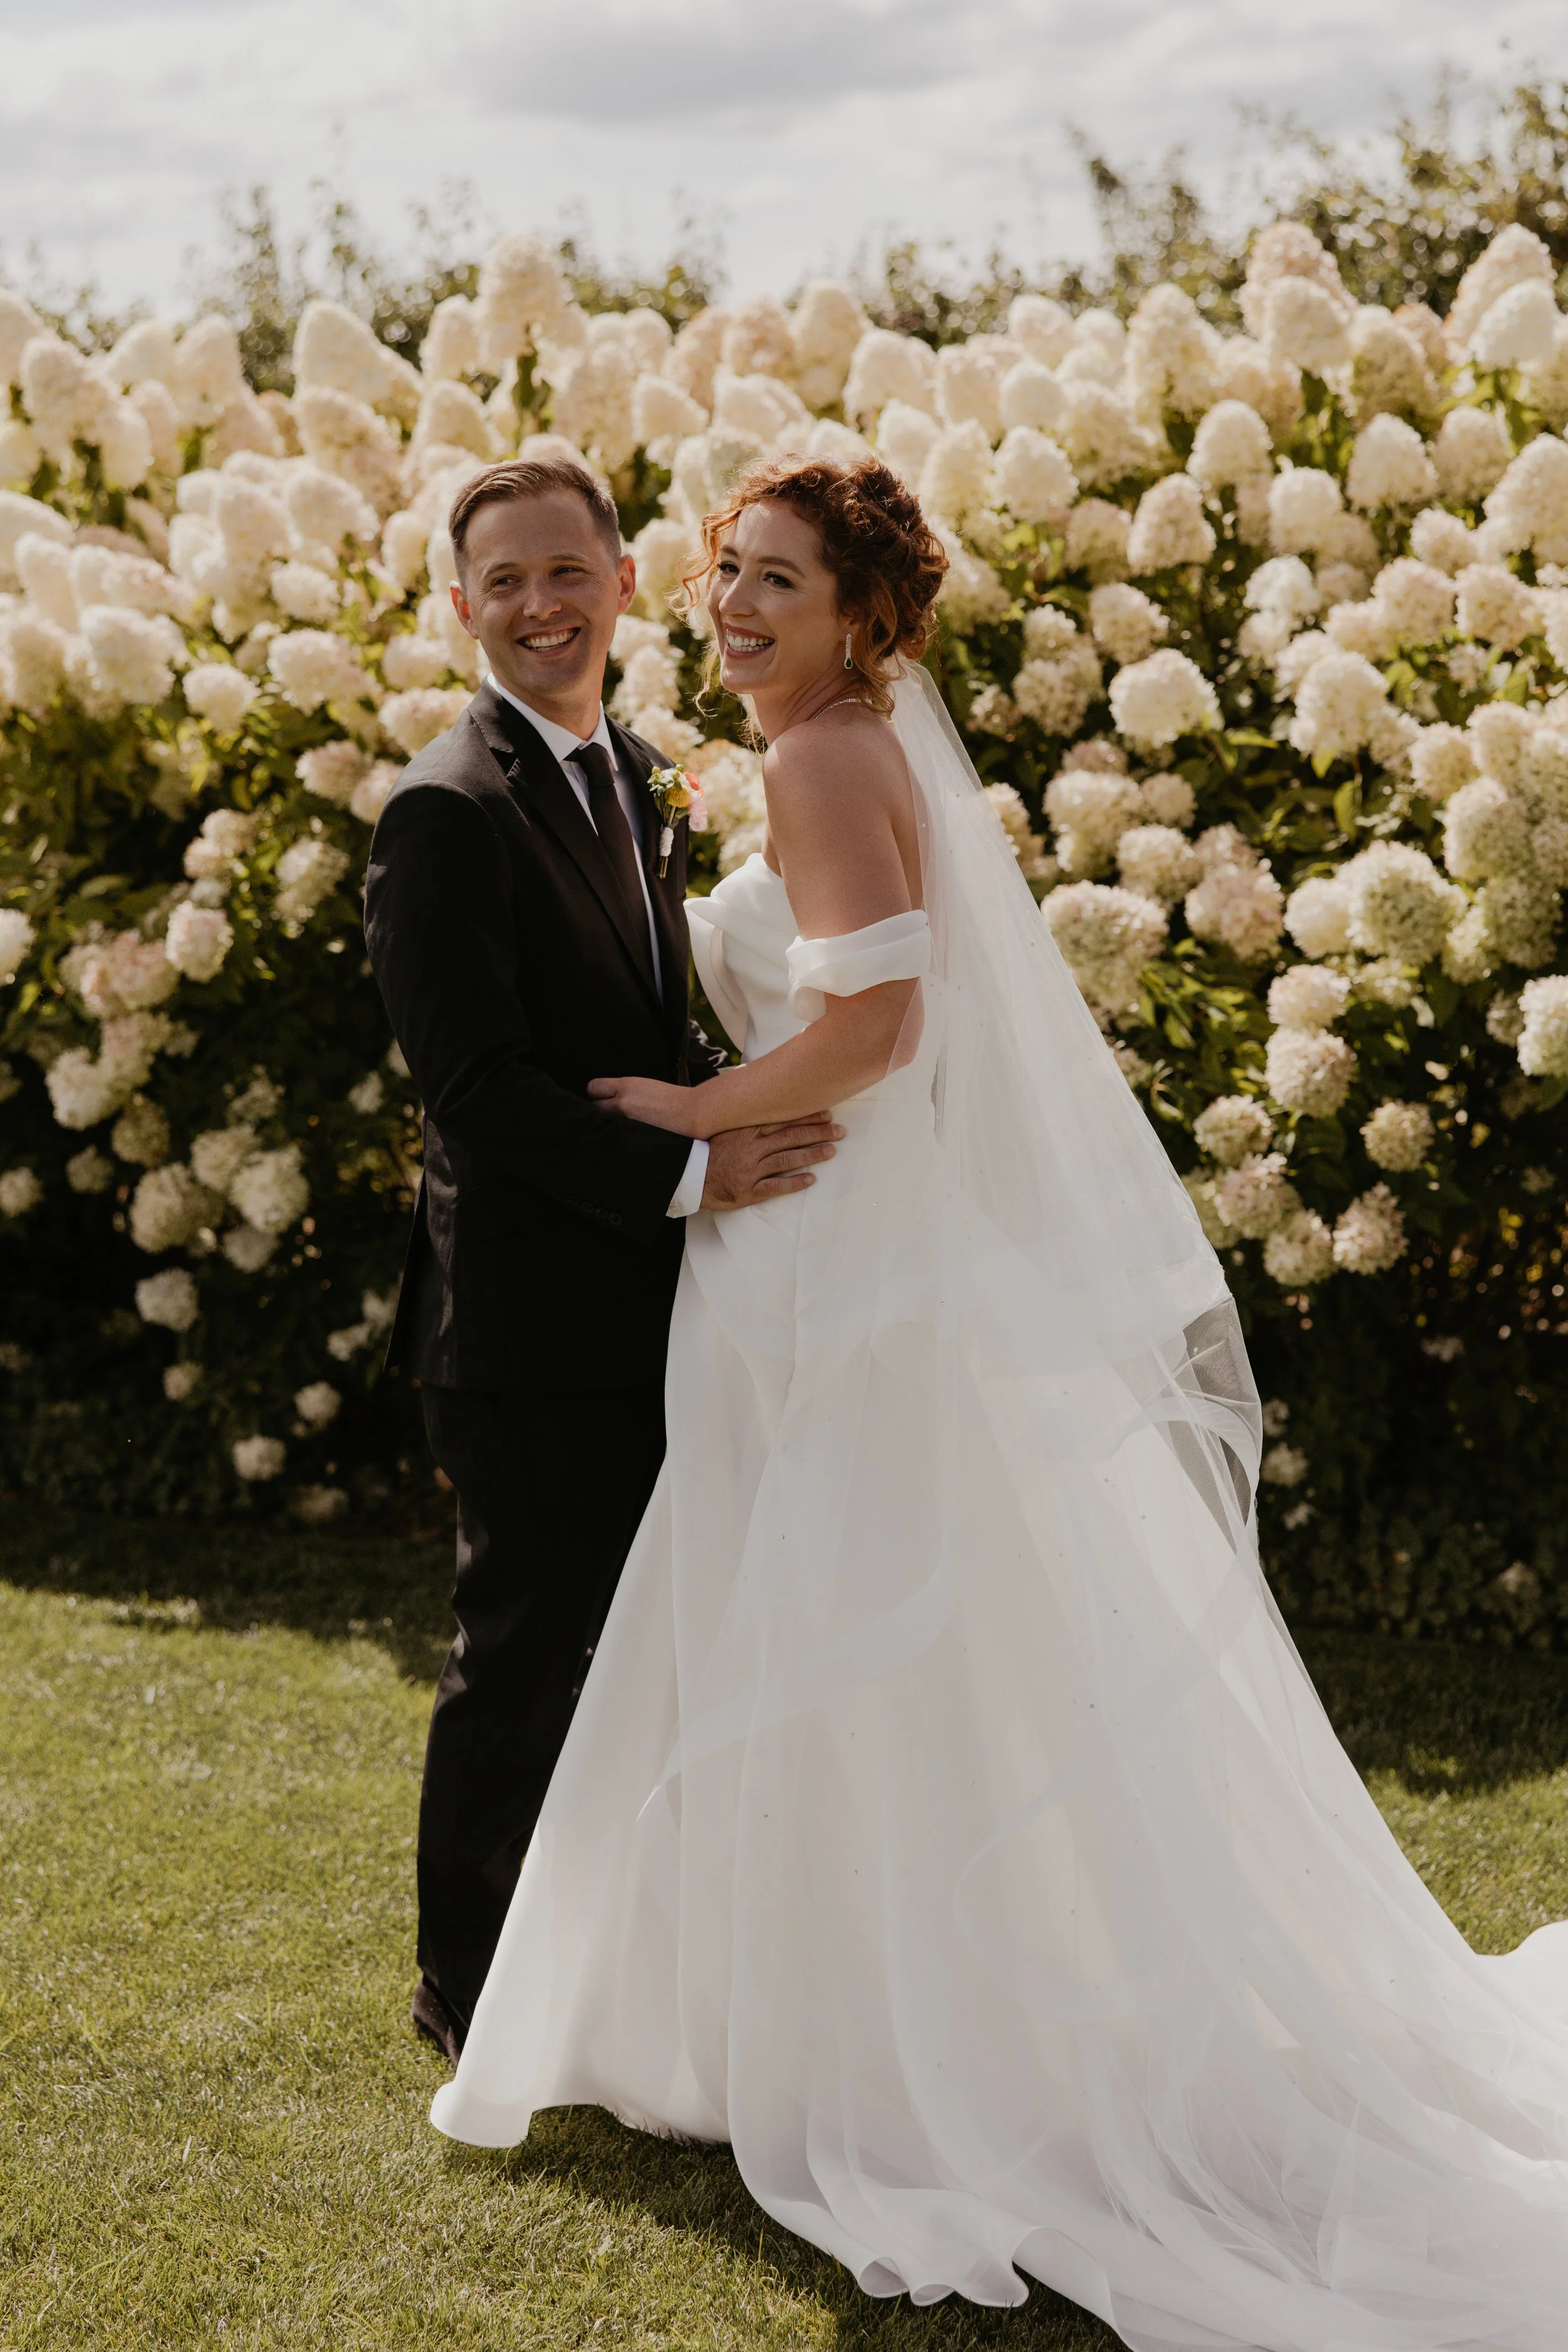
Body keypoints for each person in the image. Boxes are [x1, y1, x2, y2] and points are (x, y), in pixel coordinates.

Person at [430, 454, 1568, 2348]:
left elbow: (873, 1024)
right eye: (723, 572)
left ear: (866, 619)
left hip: (820, 1244)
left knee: (837, 1630)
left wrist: (683, 1113)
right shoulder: (851, 746)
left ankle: (872, 2042)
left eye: (776, 582)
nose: (733, 605)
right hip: (834, 1246)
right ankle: (837, 2008)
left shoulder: (819, 761)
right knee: (863, 1632)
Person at [363, 455, 841, 2063]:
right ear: (459, 607)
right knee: (521, 1649)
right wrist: (695, 1163)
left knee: (649, 1648)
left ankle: (623, 1964)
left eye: (565, 570)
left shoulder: (636, 773)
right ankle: (470, 1990)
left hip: (658, 1298)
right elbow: (476, 1092)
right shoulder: (443, 807)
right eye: (502, 580)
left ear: (625, 581)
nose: (538, 605)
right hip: (518, 1316)